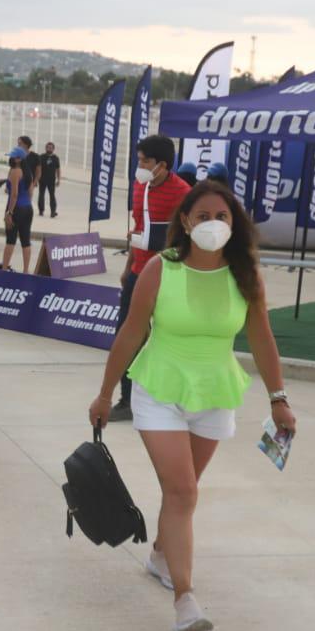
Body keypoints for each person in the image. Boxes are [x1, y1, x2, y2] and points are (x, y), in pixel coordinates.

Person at [89, 180, 297, 631]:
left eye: (221, 217)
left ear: (234, 224)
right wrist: (105, 394)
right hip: (160, 389)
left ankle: (161, 555)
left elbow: (262, 338)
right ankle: (185, 599)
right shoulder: (161, 269)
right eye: (203, 216)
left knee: (182, 491)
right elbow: (131, 331)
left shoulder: (245, 274)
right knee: (183, 491)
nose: (212, 224)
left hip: (215, 393)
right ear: (185, 221)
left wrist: (278, 398)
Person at [111, 135, 192, 423]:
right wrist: (128, 267)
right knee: (126, 336)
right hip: (138, 274)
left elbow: (189, 237)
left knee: (169, 339)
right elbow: (138, 228)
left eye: (145, 161)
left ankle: (176, 397)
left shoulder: (183, 193)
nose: (140, 166)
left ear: (163, 165)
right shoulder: (139, 187)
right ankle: (126, 399)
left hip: (169, 276)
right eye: (139, 160)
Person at [0, 147, 35, 273]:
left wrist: (9, 212)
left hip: (16, 208)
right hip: (28, 208)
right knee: (26, 240)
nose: (11, 158)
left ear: (19, 159)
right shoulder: (28, 172)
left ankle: (4, 269)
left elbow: (14, 194)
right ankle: (26, 270)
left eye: (13, 157)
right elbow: (30, 192)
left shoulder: (15, 171)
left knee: (10, 240)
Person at [38, 141, 61, 218]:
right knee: (41, 194)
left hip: (51, 180)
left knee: (52, 196)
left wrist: (58, 179)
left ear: (53, 149)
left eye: (51, 148)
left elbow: (58, 169)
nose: (49, 149)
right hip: (42, 179)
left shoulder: (56, 158)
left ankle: (53, 212)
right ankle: (41, 210)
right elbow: (38, 168)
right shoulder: (41, 157)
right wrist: (36, 179)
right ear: (45, 148)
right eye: (48, 147)